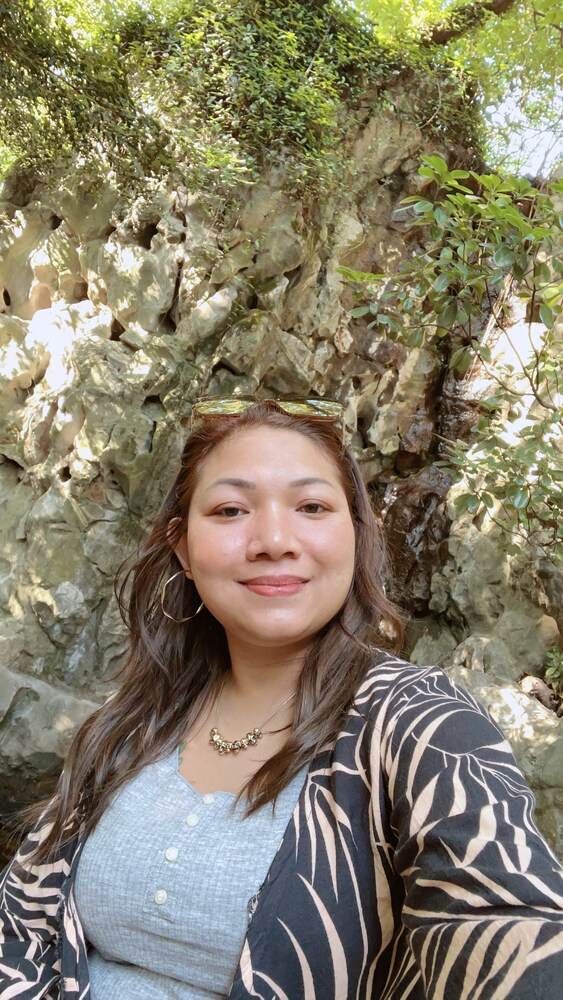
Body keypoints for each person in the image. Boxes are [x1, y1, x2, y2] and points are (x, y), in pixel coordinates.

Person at [0, 396, 562, 1000]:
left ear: (357, 535)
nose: (273, 540)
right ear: (183, 548)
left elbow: (507, 924)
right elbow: (22, 922)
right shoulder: (138, 716)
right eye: (231, 510)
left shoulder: (419, 721)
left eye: (312, 507)